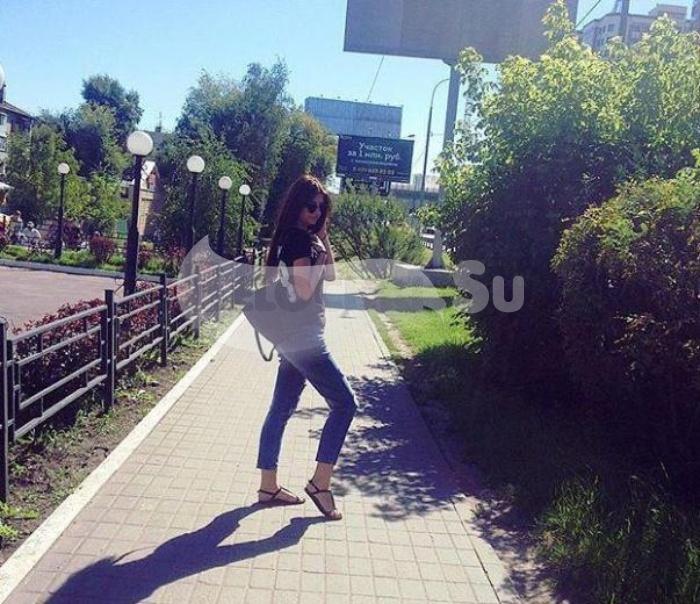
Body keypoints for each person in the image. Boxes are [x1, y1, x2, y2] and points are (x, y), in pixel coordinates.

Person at [255, 174, 357, 521]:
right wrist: (318, 252)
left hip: (291, 339)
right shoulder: (299, 240)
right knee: (345, 404)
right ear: (297, 206)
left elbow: (330, 275)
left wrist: (323, 239)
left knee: (281, 409)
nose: (316, 213)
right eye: (311, 207)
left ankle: (268, 486)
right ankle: (320, 483)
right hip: (304, 338)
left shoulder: (294, 237)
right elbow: (304, 289)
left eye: (321, 208)